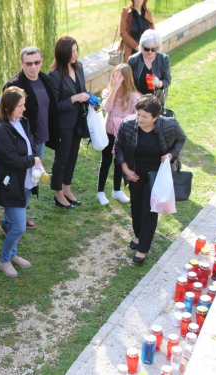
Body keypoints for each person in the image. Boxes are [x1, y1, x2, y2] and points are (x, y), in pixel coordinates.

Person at [115, 94, 186, 263]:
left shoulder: (170, 125)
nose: (139, 119)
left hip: (157, 175)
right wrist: (126, 169)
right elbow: (118, 147)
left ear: (156, 117)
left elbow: (181, 139)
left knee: (149, 210)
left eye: (144, 117)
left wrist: (171, 155)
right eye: (138, 114)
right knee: (136, 207)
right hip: (135, 173)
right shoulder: (128, 124)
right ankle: (138, 236)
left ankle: (143, 249)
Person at [3, 45, 59, 229]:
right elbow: (6, 117)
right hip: (23, 143)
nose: (33, 67)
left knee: (31, 178)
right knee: (20, 181)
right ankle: (10, 220)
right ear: (21, 64)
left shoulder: (45, 79)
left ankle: (21, 213)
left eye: (36, 62)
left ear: (41, 62)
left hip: (40, 139)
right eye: (28, 63)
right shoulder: (14, 86)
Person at [0, 87, 43, 277]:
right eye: (20, 106)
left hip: (26, 180)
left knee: (16, 223)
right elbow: (10, 159)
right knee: (19, 226)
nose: (24, 109)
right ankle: (4, 260)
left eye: (24, 104)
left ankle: (12, 255)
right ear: (8, 108)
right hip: (11, 183)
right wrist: (33, 161)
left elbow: (30, 146)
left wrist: (36, 160)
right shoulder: (0, 129)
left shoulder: (22, 121)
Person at [48, 36, 89, 209]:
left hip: (77, 122)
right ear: (63, 53)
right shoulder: (55, 76)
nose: (75, 54)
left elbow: (83, 91)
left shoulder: (78, 69)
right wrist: (74, 98)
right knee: (62, 159)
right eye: (72, 52)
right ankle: (58, 193)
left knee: (72, 157)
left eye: (76, 50)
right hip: (63, 125)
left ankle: (67, 189)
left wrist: (90, 98)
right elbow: (54, 106)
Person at [97, 64, 141, 206]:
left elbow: (136, 117)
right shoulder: (108, 92)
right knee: (106, 161)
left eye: (119, 77)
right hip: (109, 132)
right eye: (114, 75)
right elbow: (106, 108)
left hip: (123, 135)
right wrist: (114, 90)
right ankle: (100, 192)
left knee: (119, 162)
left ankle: (117, 189)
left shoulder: (134, 97)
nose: (116, 79)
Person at [128, 29, 171, 108]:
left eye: (153, 49)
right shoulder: (133, 60)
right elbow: (128, 83)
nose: (150, 52)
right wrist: (137, 94)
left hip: (157, 102)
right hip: (137, 101)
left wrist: (159, 83)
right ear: (142, 46)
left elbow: (167, 80)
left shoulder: (164, 59)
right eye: (147, 49)